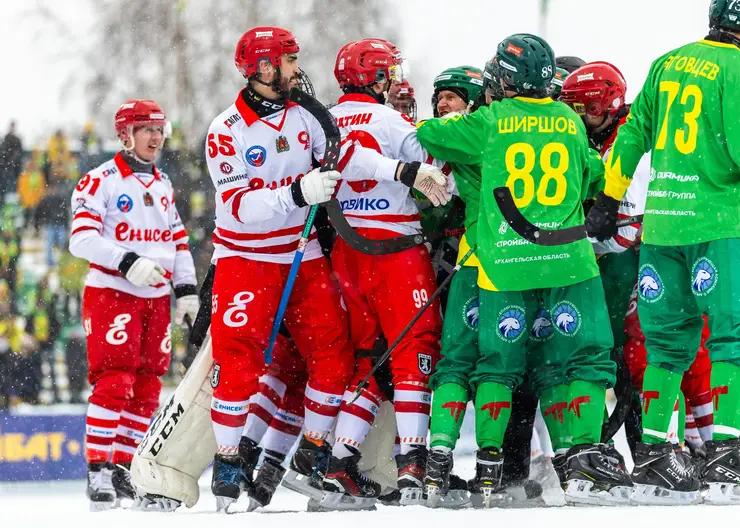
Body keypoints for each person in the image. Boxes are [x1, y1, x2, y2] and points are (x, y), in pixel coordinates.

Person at [203, 27, 443, 511]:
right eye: (288, 61)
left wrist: (402, 171)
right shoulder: (225, 129)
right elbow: (236, 206)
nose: (297, 69)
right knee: (240, 361)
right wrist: (296, 193)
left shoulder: (304, 114)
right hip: (247, 258)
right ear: (262, 68)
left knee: (333, 354)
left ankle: (313, 453)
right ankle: (230, 463)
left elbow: (346, 153)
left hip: (302, 252)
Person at [415, 33, 634, 507]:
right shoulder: (570, 122)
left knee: (494, 364)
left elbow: (430, 134)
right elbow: (597, 177)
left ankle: (478, 465)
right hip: (568, 262)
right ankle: (583, 458)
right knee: (584, 361)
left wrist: (465, 119)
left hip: (504, 266)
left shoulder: (490, 121)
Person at [586, 0, 740, 505]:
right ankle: (728, 457)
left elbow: (632, 134)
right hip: (721, 225)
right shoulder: (737, 68)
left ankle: (653, 458)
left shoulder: (667, 62)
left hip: (663, 227)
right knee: (730, 341)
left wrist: (609, 197)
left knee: (667, 348)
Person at [319, 38, 449, 506]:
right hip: (395, 251)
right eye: (389, 72)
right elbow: (439, 171)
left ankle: (339, 462)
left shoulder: (325, 119)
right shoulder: (390, 119)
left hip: (345, 253)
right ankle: (413, 464)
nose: (394, 79)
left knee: (368, 356)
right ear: (376, 75)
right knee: (415, 347)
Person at [69, 99, 199, 511]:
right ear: (125, 134)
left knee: (146, 388)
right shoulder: (99, 180)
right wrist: (127, 261)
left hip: (156, 300)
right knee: (115, 382)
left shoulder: (163, 184)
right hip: (112, 292)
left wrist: (187, 291)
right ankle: (98, 471)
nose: (156, 137)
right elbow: (81, 239)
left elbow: (178, 243)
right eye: (146, 129)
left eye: (159, 129)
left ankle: (125, 468)